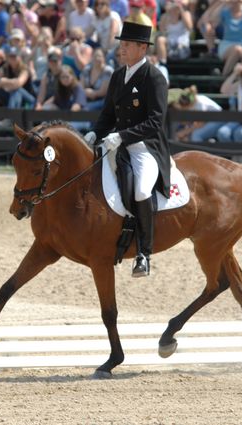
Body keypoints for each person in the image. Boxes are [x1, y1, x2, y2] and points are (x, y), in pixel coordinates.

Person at [84, 22, 170, 278]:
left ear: (142, 48)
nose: (121, 49)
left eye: (126, 45)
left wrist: (122, 136)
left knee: (142, 190)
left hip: (145, 147)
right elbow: (108, 114)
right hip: (115, 143)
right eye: (121, 44)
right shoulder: (117, 76)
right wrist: (94, 133)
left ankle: (144, 253)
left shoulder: (154, 77)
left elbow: (155, 122)